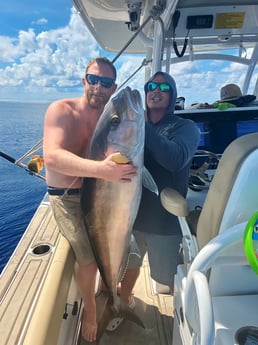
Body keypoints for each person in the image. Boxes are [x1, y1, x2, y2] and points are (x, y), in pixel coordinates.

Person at [43, 57, 139, 342]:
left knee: (132, 254)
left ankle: (117, 295)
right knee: (87, 260)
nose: (98, 86)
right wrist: (102, 170)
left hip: (103, 193)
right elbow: (52, 157)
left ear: (113, 87)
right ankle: (91, 312)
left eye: (106, 82)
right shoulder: (61, 110)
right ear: (84, 80)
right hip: (68, 197)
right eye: (93, 79)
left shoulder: (108, 118)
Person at [131, 71, 200, 291]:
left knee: (167, 280)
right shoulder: (131, 125)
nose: (156, 92)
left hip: (164, 220)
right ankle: (123, 301)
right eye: (151, 87)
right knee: (126, 268)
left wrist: (143, 127)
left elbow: (175, 159)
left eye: (164, 88)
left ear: (173, 94)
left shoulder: (185, 127)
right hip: (130, 215)